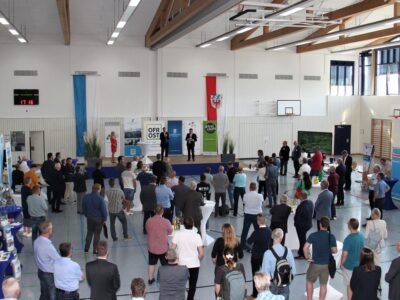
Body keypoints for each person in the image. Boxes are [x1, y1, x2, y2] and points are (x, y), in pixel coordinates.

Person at [304, 217, 337, 300]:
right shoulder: (331, 236)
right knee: (323, 285)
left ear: (320, 225)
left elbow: (305, 248)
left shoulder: (313, 235)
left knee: (309, 281)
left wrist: (307, 257)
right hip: (326, 265)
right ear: (328, 225)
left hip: (315, 264)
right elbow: (334, 250)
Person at [172, 216, 204, 300]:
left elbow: (172, 249)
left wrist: (176, 259)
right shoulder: (197, 235)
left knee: (180, 283)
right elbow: (201, 253)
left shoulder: (178, 234)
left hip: (181, 264)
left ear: (183, 225)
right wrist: (197, 259)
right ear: (192, 224)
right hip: (194, 265)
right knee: (192, 285)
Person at [261, 228, 295, 300]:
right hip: (285, 284)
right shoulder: (288, 251)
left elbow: (265, 273)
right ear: (282, 238)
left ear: (272, 237)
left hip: (273, 284)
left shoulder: (268, 253)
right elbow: (294, 270)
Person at [145, 204, 173, 285]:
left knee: (151, 263)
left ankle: (150, 279)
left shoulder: (149, 221)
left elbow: (147, 230)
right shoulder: (166, 221)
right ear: (162, 212)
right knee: (165, 265)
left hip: (152, 247)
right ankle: (165, 279)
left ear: (154, 211)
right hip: (163, 248)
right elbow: (170, 231)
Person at [33, 221, 61, 300]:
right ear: (49, 231)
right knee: (53, 295)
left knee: (44, 293)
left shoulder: (36, 241)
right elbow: (58, 259)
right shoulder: (48, 246)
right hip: (49, 275)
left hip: (41, 271)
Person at [247, 215, 271, 298]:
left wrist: (251, 249)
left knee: (255, 275)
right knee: (266, 275)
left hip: (255, 257)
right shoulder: (269, 231)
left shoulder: (256, 232)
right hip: (265, 257)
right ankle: (267, 292)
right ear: (265, 221)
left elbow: (248, 242)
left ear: (257, 222)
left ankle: (255, 294)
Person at [340, 218, 365, 300]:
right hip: (360, 265)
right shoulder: (362, 236)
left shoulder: (348, 239)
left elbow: (345, 254)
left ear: (350, 226)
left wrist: (341, 263)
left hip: (349, 267)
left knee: (350, 285)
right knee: (357, 285)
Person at [82, 184, 108, 254]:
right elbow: (104, 210)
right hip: (99, 219)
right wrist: (105, 219)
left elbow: (83, 208)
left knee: (89, 233)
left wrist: (87, 215)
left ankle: (86, 249)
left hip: (89, 218)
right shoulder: (100, 198)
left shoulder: (86, 197)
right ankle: (95, 250)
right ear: (99, 189)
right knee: (97, 234)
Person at [240, 182, 263, 251]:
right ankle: (258, 244)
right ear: (256, 188)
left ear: (249, 188)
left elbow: (244, 203)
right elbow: (261, 203)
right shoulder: (260, 196)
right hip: (257, 215)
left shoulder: (245, 195)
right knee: (258, 231)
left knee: (245, 231)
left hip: (248, 215)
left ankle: (242, 245)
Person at [294, 191, 314, 259]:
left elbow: (297, 217)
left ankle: (303, 254)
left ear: (301, 197)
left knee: (302, 240)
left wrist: (295, 224)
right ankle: (302, 251)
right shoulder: (310, 203)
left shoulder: (301, 206)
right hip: (308, 224)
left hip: (301, 226)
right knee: (303, 239)